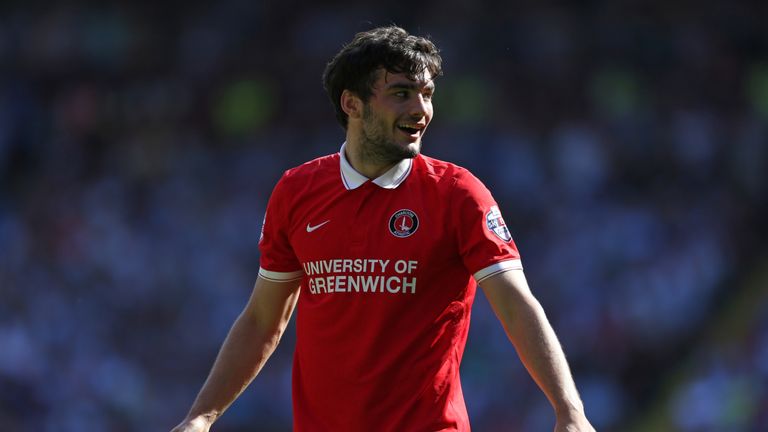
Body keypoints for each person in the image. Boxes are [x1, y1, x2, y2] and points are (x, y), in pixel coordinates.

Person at [171, 26, 595, 432]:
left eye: (426, 94)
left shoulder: (457, 194)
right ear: (352, 103)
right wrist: (203, 415)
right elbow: (264, 319)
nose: (421, 109)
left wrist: (569, 411)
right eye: (401, 93)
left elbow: (517, 304)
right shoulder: (296, 191)